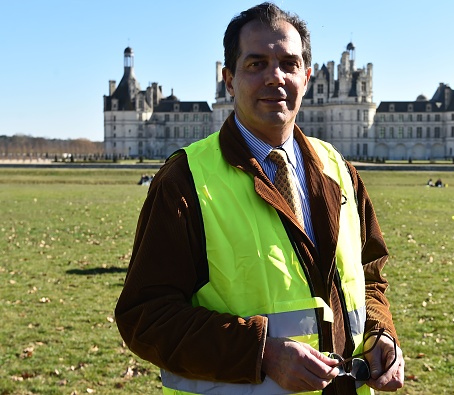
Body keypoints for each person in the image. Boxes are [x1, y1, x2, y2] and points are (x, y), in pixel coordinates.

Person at [115, 3, 404, 395]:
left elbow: (369, 279)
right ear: (229, 80)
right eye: (256, 64)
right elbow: (144, 317)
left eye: (289, 63)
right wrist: (260, 353)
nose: (275, 78)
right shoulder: (184, 181)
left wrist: (381, 333)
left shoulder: (339, 170)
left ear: (308, 76)